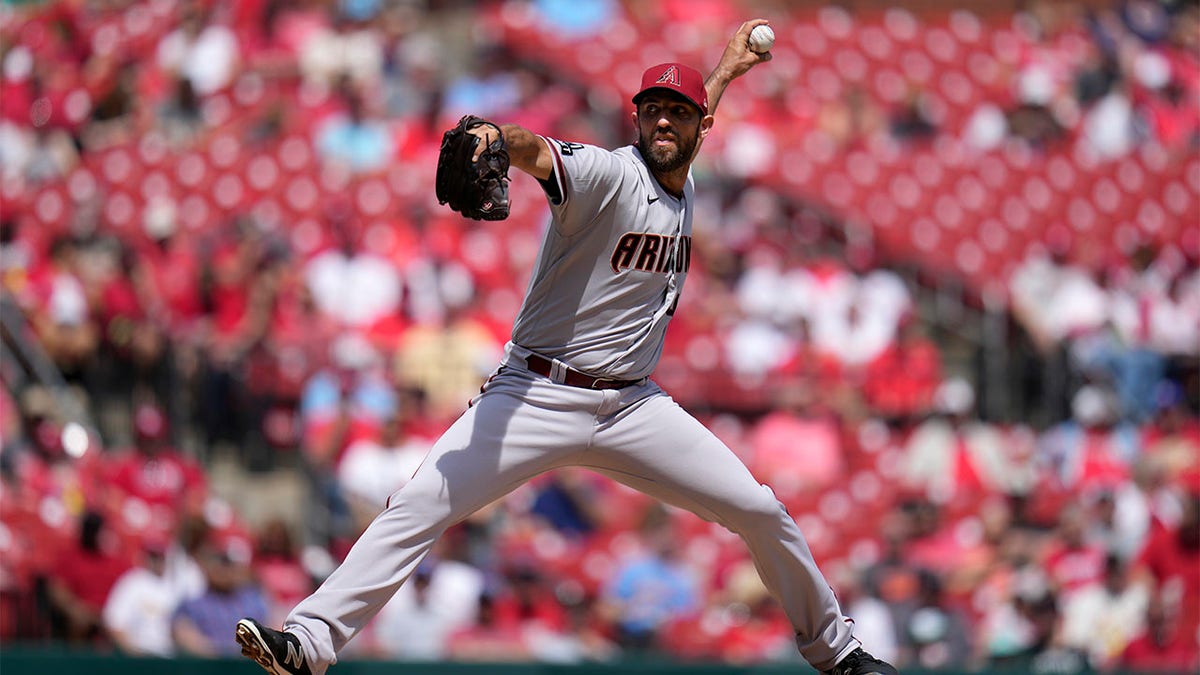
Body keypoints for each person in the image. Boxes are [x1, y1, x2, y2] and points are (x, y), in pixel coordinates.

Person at [236, 19, 897, 675]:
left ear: (701, 127)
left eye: (679, 113)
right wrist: (497, 137)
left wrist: (725, 69)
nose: (664, 122)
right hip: (536, 393)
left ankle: (838, 654)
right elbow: (539, 152)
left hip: (634, 407)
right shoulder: (611, 174)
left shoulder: (683, 174)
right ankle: (310, 641)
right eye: (653, 112)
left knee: (758, 508)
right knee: (419, 501)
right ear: (636, 121)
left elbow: (704, 110)